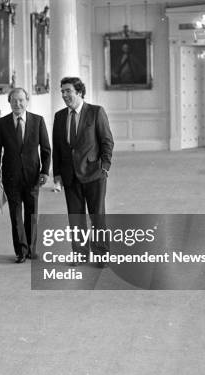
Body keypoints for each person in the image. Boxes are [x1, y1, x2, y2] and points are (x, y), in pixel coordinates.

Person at [52, 77, 114, 267]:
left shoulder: (96, 112)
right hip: (70, 176)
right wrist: (57, 174)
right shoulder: (60, 116)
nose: (64, 95)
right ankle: (80, 254)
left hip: (94, 173)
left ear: (79, 92)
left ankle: (102, 254)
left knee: (97, 216)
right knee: (75, 218)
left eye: (68, 91)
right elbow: (57, 147)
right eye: (62, 91)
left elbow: (107, 141)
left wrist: (105, 166)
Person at [0, 88, 51, 263]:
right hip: (10, 176)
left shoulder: (38, 121)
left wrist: (45, 172)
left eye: (21, 100)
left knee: (32, 213)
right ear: (9, 102)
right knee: (15, 214)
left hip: (33, 176)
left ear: (27, 101)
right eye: (14, 100)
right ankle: (21, 251)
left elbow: (46, 149)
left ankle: (32, 249)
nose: (18, 104)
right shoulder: (2, 123)